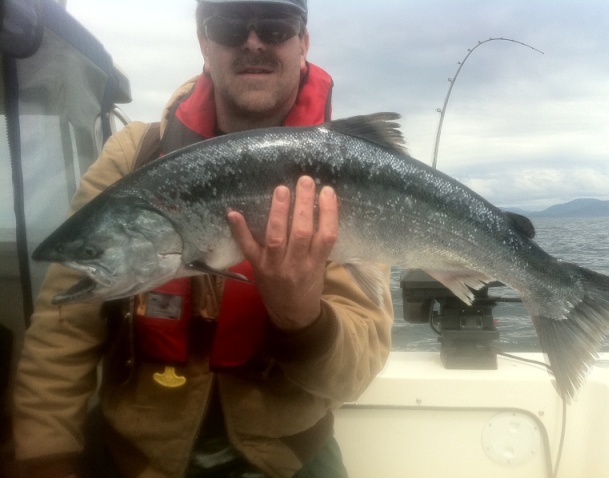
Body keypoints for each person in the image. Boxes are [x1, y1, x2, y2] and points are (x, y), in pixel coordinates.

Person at [11, 1, 394, 477]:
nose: (253, 41)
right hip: (138, 459)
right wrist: (45, 455)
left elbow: (354, 375)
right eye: (229, 25)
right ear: (204, 44)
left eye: (276, 26)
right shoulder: (134, 155)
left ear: (303, 45)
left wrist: (303, 320)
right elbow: (61, 329)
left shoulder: (354, 172)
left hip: (289, 460)